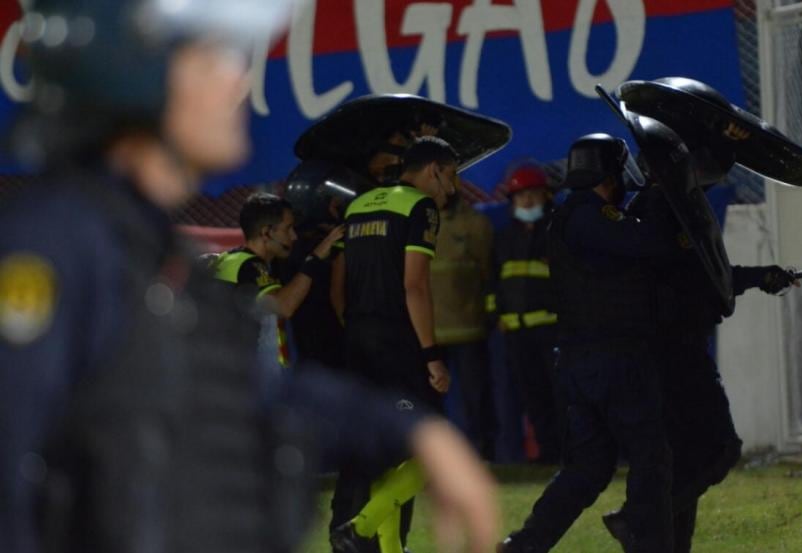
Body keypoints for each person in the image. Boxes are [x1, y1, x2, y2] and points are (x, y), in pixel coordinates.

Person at [0, 1, 499, 552]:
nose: (239, 82)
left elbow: (246, 388)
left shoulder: (147, 248)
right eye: (214, 59)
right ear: (134, 75)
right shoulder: (56, 244)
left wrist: (414, 432)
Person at [600, 77, 802, 553]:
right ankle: (637, 521)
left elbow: (707, 274)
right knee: (717, 450)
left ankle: (649, 537)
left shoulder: (678, 206)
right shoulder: (659, 208)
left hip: (675, 347)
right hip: (668, 352)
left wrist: (761, 277)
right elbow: (686, 279)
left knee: (680, 460)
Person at [499, 134, 681, 553]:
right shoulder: (589, 215)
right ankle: (641, 532)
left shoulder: (571, 216)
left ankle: (524, 545)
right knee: (651, 458)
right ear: (609, 173)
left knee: (587, 468)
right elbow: (647, 244)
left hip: (584, 361)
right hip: (613, 359)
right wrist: (662, 203)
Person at [330, 136, 459, 553]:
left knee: (384, 451)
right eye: (451, 176)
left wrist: (357, 331)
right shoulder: (419, 207)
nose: (452, 189)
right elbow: (415, 286)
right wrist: (431, 355)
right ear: (433, 169)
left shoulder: (359, 205)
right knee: (434, 446)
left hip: (357, 340)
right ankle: (360, 529)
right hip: (398, 343)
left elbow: (339, 288)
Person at [208, 192, 343, 368]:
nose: (294, 236)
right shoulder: (249, 265)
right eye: (288, 228)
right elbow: (284, 306)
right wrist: (315, 258)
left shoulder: (234, 259)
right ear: (267, 233)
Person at [488, 164, 562, 463]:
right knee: (534, 398)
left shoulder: (558, 232)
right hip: (517, 333)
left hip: (553, 329)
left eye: (532, 194)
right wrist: (497, 317)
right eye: (521, 196)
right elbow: (493, 283)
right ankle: (546, 454)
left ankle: (570, 454)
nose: (527, 201)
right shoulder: (504, 239)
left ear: (545, 196)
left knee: (562, 396)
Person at [430, 178, 497, 459]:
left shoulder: (474, 223)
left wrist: (487, 314)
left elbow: (489, 273)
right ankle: (434, 461)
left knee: (476, 399)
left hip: (468, 328)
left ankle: (484, 456)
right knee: (429, 404)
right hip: (429, 333)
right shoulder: (415, 222)